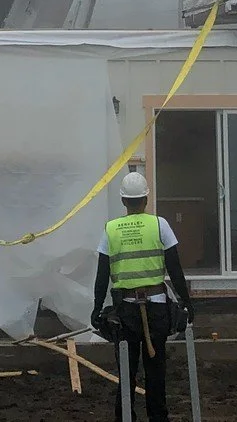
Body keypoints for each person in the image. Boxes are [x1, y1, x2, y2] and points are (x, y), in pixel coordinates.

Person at [90, 171, 195, 422]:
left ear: (124, 201)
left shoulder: (111, 229)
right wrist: (187, 302)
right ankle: (158, 418)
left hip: (125, 312)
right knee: (156, 371)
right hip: (157, 307)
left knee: (126, 372)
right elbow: (175, 270)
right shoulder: (160, 225)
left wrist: (96, 309)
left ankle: (125, 418)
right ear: (146, 199)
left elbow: (102, 275)